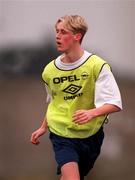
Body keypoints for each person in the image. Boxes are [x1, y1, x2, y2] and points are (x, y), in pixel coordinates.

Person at [30, 15, 122, 180]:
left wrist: (91, 113)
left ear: (77, 36)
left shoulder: (97, 66)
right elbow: (54, 102)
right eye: (56, 31)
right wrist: (43, 127)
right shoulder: (49, 71)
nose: (57, 36)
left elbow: (114, 103)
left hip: (91, 135)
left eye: (63, 32)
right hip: (62, 134)